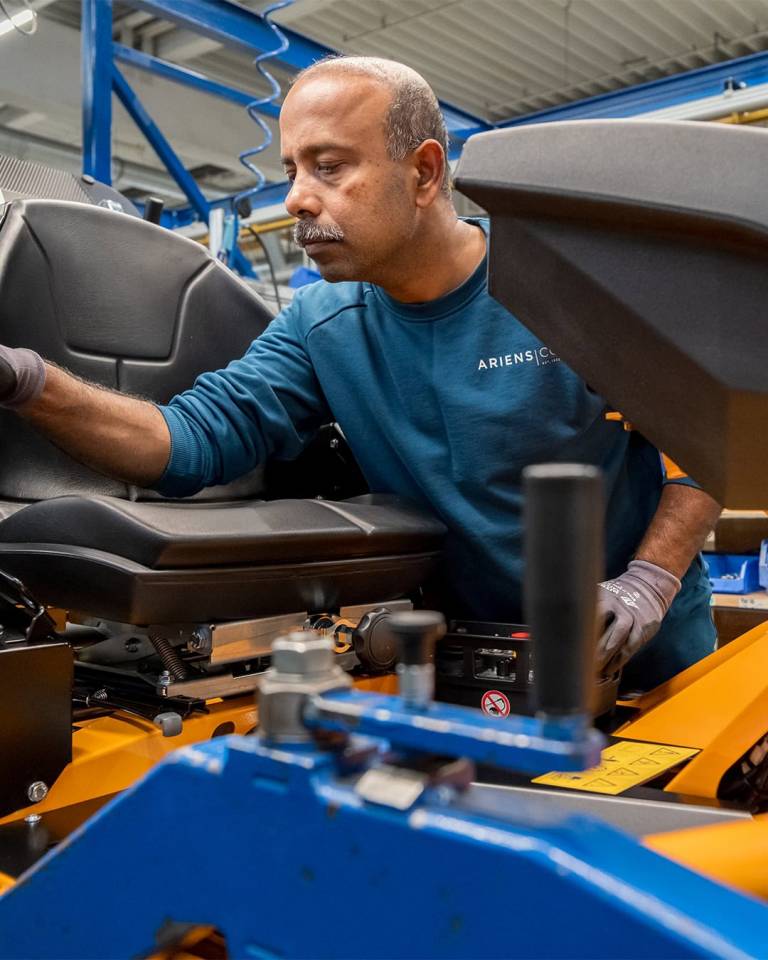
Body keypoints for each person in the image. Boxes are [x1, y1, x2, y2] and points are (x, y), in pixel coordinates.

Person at [0, 56, 719, 690]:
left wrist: (648, 583)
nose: (295, 199)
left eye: (330, 166)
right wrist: (27, 380)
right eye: (291, 170)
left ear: (425, 172)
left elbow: (706, 438)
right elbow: (186, 443)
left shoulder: (568, 286)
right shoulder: (322, 324)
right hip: (476, 670)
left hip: (644, 666)